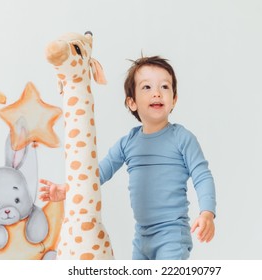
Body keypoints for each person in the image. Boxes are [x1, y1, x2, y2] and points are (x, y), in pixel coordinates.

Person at [39, 56, 216, 260]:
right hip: (141, 237)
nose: (157, 93)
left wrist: (207, 213)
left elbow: (202, 176)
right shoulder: (128, 142)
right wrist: (67, 189)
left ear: (174, 99)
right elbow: (97, 174)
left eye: (165, 87)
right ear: (132, 102)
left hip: (172, 234)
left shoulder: (182, 138)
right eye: (147, 87)